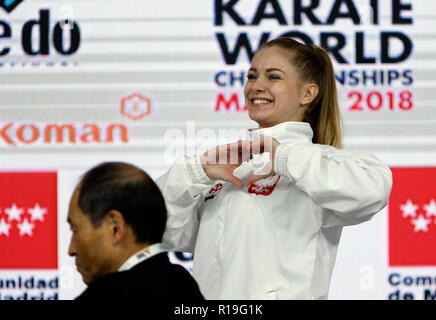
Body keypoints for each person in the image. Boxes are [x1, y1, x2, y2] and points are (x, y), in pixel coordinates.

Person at [156, 37, 392, 300]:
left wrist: (282, 157)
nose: (256, 86)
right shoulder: (228, 168)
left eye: (273, 77)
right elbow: (162, 233)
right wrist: (195, 172)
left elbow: (372, 191)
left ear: (308, 93)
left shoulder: (320, 162)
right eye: (252, 76)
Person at [67, 161, 204, 300]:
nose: (71, 250)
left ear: (115, 227)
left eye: (75, 229)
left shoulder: (102, 296)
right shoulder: (186, 285)